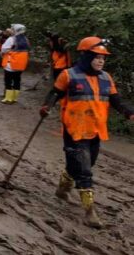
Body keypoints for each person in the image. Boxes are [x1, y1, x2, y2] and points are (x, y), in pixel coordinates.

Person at [40, 37, 134, 228]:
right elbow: (55, 93)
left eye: (103, 58)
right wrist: (46, 106)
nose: (101, 61)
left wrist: (129, 113)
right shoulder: (68, 75)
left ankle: (62, 188)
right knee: (84, 171)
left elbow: (116, 101)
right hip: (74, 130)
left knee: (84, 163)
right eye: (97, 57)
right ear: (86, 56)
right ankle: (89, 212)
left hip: (95, 130)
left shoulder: (106, 78)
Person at [0, 24, 30, 104]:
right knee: (17, 80)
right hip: (21, 64)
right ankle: (14, 98)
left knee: (8, 81)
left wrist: (6, 51)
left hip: (11, 63)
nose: (11, 30)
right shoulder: (26, 40)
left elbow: (4, 49)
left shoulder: (11, 39)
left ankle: (8, 98)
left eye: (12, 29)